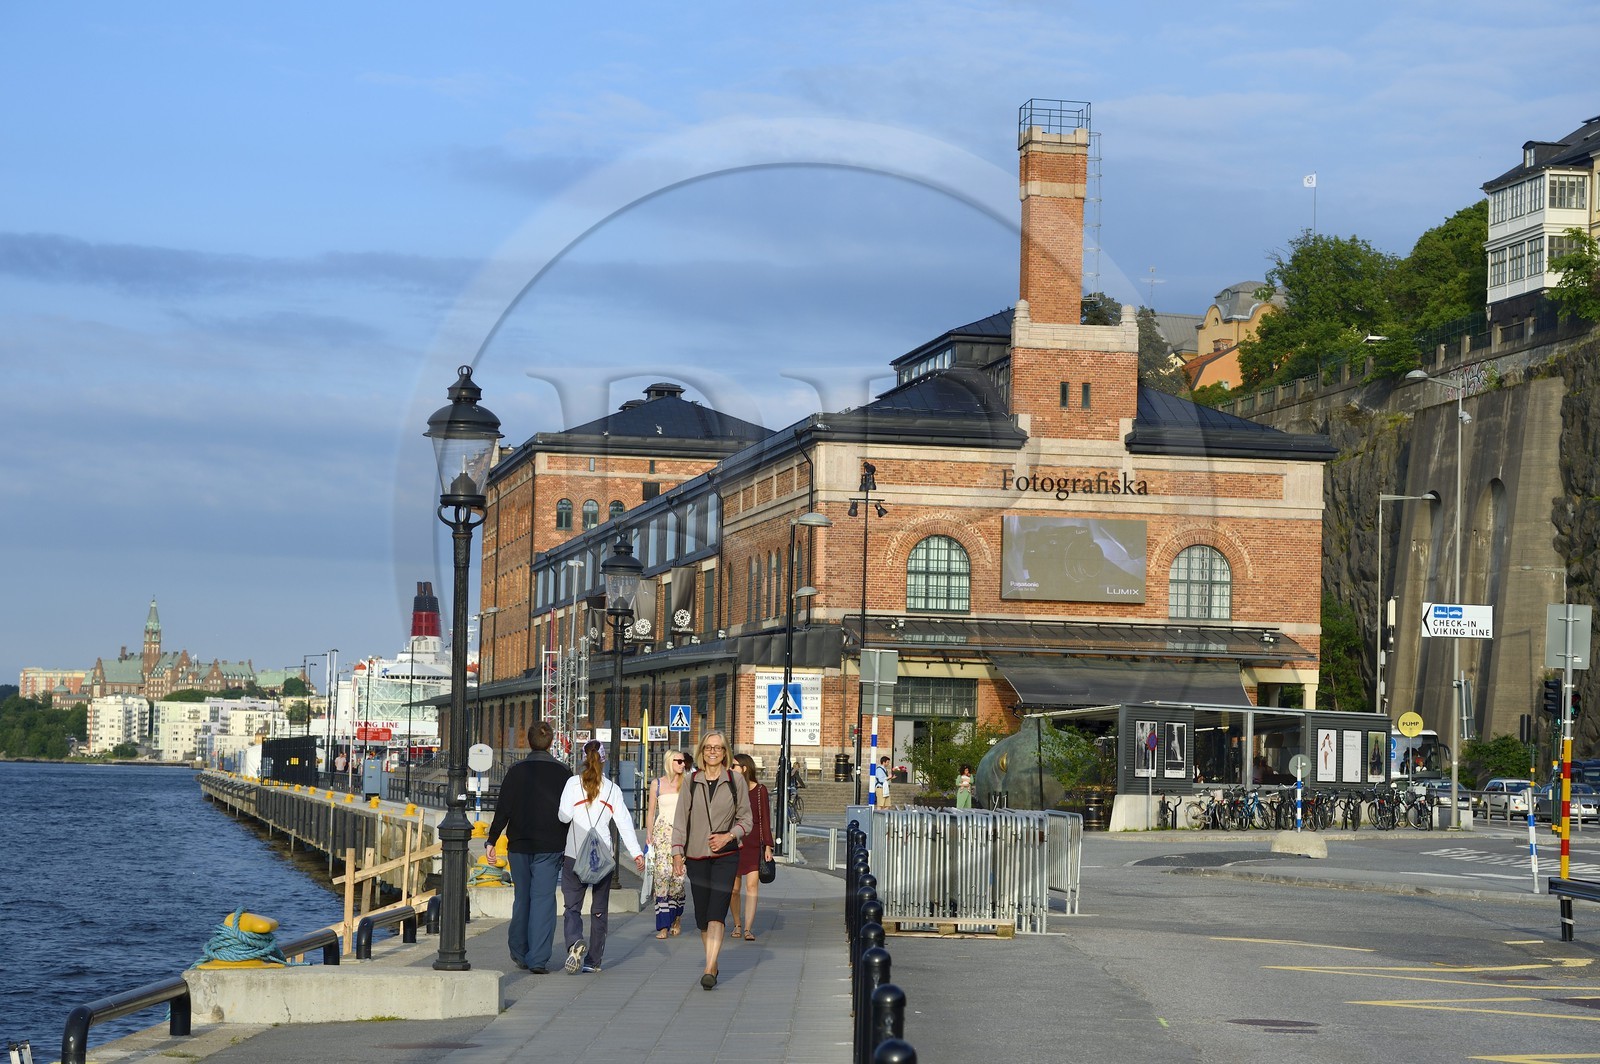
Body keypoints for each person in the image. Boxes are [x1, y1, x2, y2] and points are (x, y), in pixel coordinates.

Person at [486, 721, 571, 974]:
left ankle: (519, 950)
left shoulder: (516, 771)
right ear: (552, 742)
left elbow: (503, 810)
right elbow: (569, 813)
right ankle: (538, 958)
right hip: (551, 845)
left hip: (519, 845)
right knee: (544, 900)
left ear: (528, 741)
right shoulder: (563, 773)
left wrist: (492, 839)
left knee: (522, 897)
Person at [671, 730, 752, 990]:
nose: (713, 752)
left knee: (717, 912)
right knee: (703, 916)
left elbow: (746, 820)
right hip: (696, 856)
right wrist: (676, 852)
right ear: (702, 752)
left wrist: (729, 836)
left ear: (725, 751)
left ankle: (708, 968)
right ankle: (713, 962)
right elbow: (681, 819)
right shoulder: (691, 781)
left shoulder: (735, 780)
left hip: (726, 855)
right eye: (708, 748)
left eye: (717, 748)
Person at [557, 740, 645, 974]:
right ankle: (593, 961)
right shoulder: (612, 789)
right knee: (599, 910)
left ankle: (575, 940)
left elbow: (564, 817)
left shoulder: (572, 784)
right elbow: (625, 824)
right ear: (603, 761)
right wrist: (636, 853)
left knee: (572, 907)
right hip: (602, 857)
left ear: (583, 758)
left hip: (575, 855)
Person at [726, 752, 774, 940]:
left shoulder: (760, 790)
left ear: (744, 768)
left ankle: (747, 928)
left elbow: (765, 819)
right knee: (734, 889)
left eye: (734, 766)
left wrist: (768, 846)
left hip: (754, 843)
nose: (730, 769)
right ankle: (737, 924)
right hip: (734, 841)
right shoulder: (730, 788)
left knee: (752, 886)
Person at [644, 747, 689, 939]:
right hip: (662, 834)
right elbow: (651, 811)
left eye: (684, 761)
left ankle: (676, 917)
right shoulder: (657, 784)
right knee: (661, 878)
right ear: (669, 762)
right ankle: (663, 926)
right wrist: (649, 834)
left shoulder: (687, 783)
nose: (682, 764)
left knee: (678, 880)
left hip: (681, 835)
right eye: (678, 761)